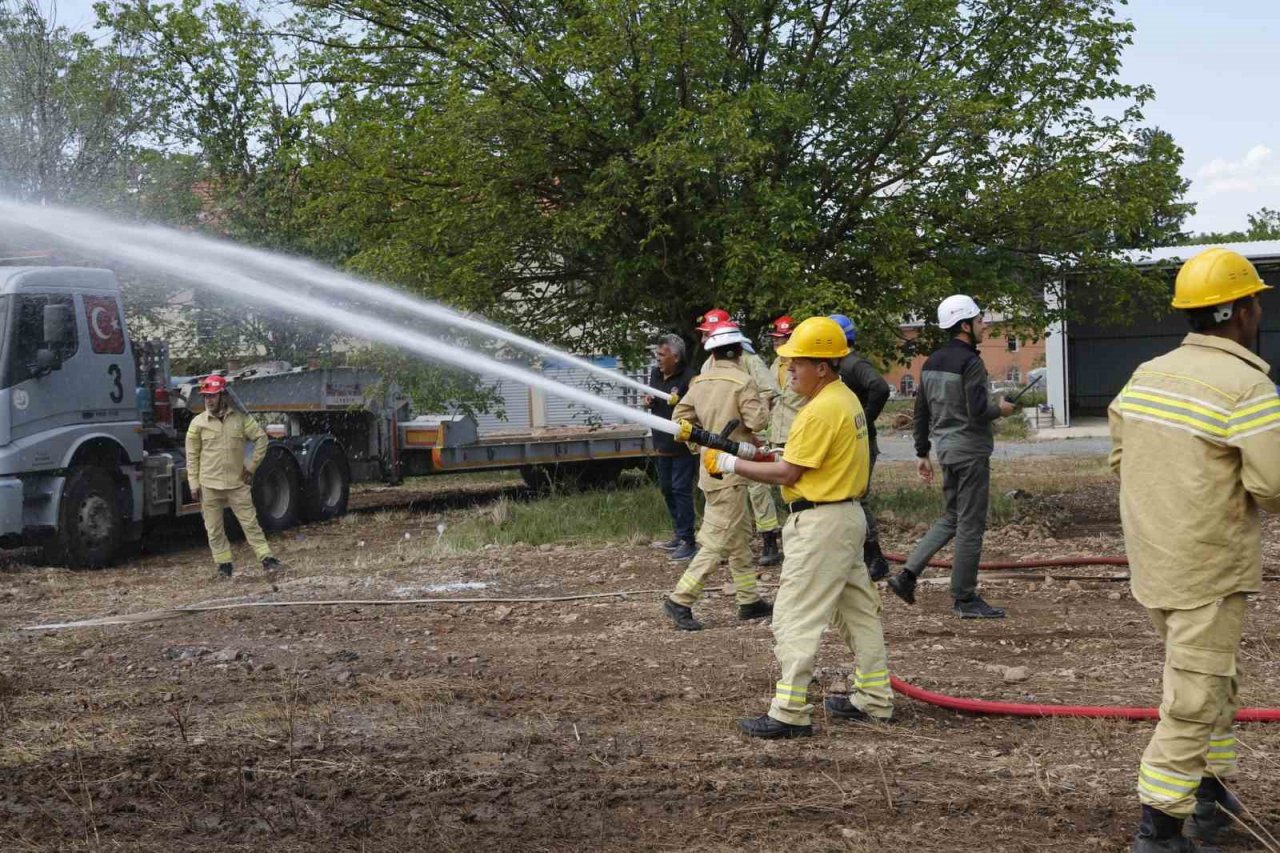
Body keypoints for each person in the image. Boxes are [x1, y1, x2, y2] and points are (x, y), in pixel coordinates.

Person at [1109, 247, 1280, 852]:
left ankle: (1209, 791)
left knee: (1214, 678)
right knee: (1194, 695)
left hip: (1156, 563)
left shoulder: (1147, 374)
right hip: (1209, 568)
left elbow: (1121, 458)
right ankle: (1160, 826)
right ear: (1240, 311)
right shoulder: (1249, 385)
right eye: (1256, 300)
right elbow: (1273, 486)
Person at [703, 317, 892, 738]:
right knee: (859, 612)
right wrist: (753, 453)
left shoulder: (821, 410)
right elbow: (798, 458)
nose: (789, 372)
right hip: (844, 519)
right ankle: (876, 699)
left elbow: (788, 473)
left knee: (794, 617)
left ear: (822, 366)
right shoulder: (843, 400)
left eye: (796, 364)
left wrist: (731, 463)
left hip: (821, 523)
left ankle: (789, 711)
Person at [885, 295, 1014, 618]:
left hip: (946, 451)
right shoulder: (971, 363)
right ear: (965, 325)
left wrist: (921, 452)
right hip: (971, 452)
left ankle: (907, 575)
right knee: (970, 525)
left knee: (952, 517)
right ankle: (965, 598)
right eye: (981, 321)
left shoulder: (930, 363)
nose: (985, 326)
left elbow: (921, 411)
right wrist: (1003, 409)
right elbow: (978, 410)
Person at [663, 322, 772, 631]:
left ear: (712, 351)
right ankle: (680, 600)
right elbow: (758, 421)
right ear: (739, 352)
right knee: (716, 540)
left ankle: (749, 600)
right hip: (733, 471)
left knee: (738, 538)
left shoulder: (699, 382)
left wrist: (701, 444)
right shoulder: (742, 381)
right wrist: (764, 401)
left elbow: (679, 421)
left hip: (710, 470)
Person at [695, 309, 784, 565]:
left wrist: (755, 415)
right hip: (719, 437)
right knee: (721, 486)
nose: (702, 340)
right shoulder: (707, 364)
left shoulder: (748, 359)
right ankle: (723, 545)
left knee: (757, 487)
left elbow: (770, 391)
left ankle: (769, 540)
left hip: (750, 433)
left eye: (706, 334)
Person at [186, 375, 281, 578]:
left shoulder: (240, 419)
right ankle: (223, 565)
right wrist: (193, 483)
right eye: (205, 397)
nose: (208, 400)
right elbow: (191, 456)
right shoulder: (197, 424)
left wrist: (251, 467)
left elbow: (261, 439)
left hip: (237, 484)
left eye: (212, 396)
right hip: (209, 486)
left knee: (250, 523)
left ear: (223, 396)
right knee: (214, 529)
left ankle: (266, 558)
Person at [829, 314, 892, 580]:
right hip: (847, 441)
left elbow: (880, 387)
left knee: (857, 497)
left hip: (861, 441)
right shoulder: (837, 366)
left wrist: (864, 420)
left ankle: (874, 556)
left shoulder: (853, 364)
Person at [645, 334, 698, 561]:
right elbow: (654, 398)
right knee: (667, 489)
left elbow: (696, 407)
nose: (657, 359)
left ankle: (689, 540)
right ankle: (678, 534)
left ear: (675, 357)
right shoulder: (656, 373)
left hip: (683, 446)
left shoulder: (690, 377)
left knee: (680, 489)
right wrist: (649, 401)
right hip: (662, 443)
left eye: (661, 355)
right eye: (657, 354)